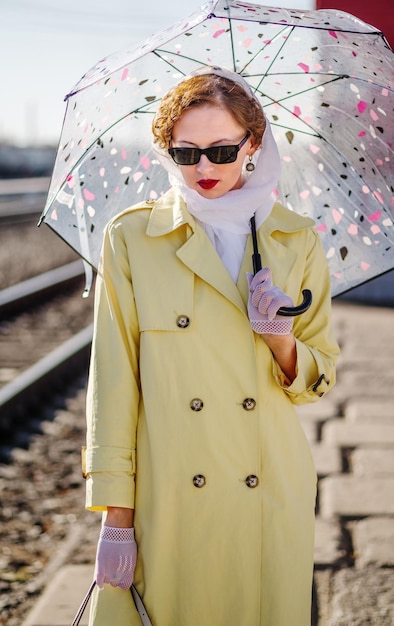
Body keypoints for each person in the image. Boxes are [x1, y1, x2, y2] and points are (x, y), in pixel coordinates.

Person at [83, 66, 340, 626]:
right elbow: (114, 382)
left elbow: (321, 380)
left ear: (252, 144)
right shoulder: (131, 239)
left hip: (268, 487)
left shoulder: (295, 240)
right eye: (186, 153)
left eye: (222, 151)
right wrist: (116, 520)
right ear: (166, 150)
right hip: (172, 491)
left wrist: (282, 344)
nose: (204, 168)